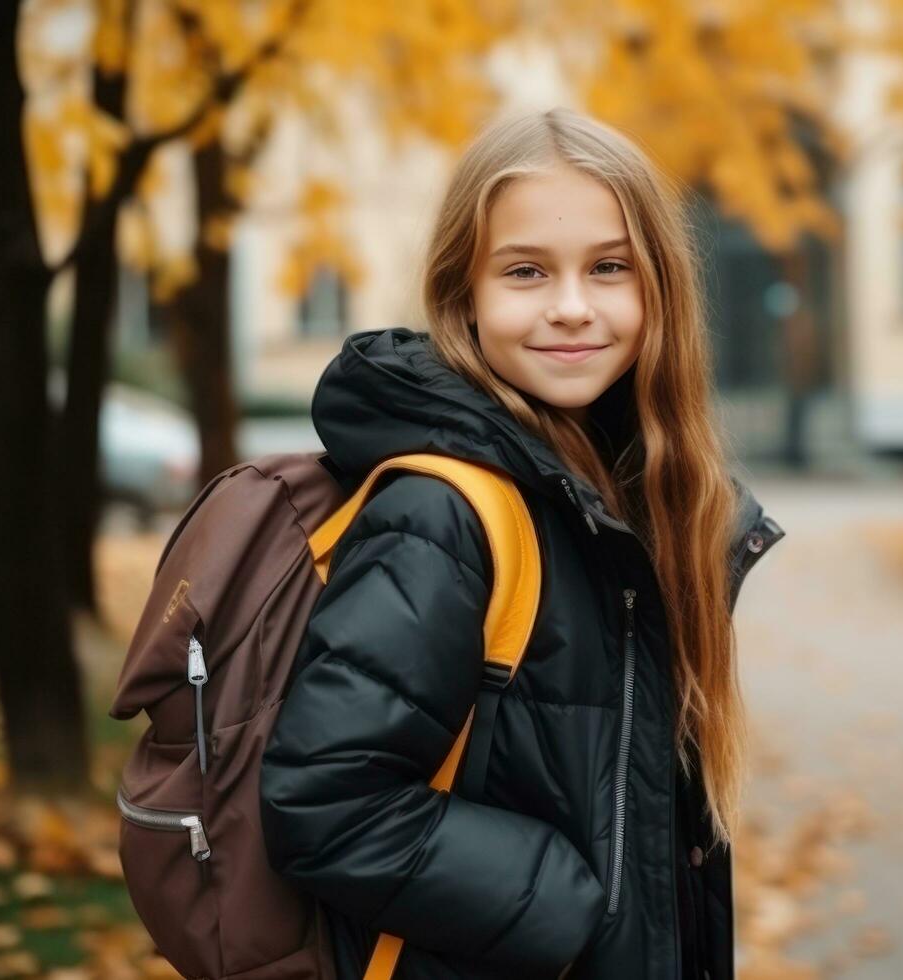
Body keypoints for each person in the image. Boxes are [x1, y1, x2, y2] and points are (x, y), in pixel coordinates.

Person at [260, 106, 785, 980]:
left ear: (660, 286)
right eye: (526, 271)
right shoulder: (443, 515)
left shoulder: (629, 499)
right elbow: (326, 802)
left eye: (609, 267)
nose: (572, 307)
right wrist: (568, 908)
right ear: (464, 294)